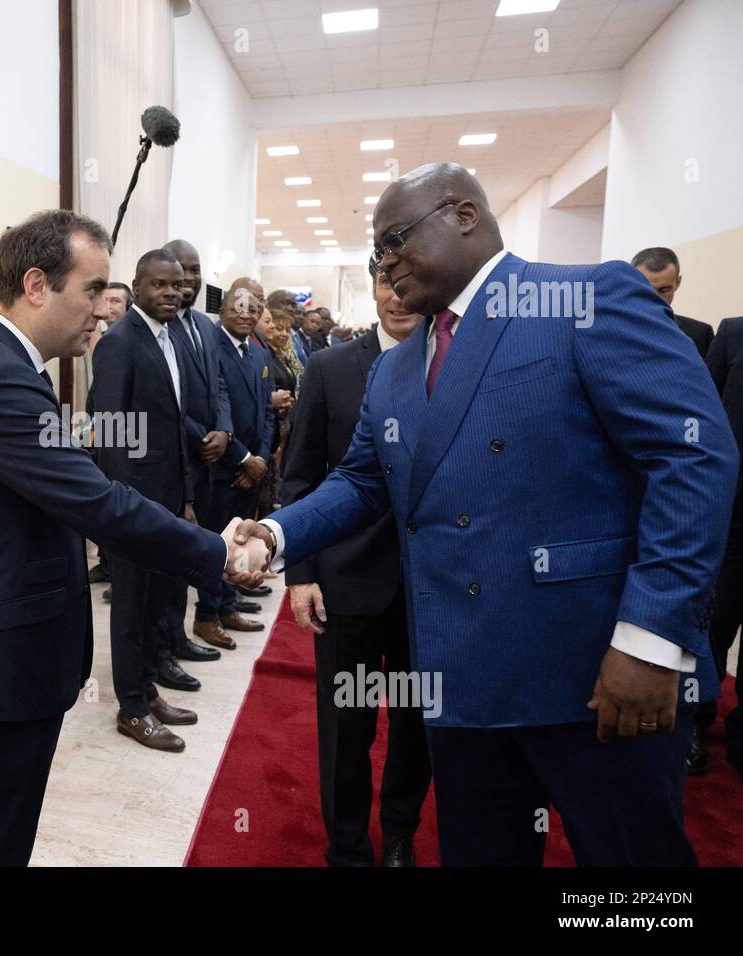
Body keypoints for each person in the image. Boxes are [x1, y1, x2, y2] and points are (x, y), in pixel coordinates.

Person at [241, 162, 737, 866]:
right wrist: (276, 532)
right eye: (378, 252)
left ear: (464, 215)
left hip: (597, 671)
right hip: (463, 678)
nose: (385, 263)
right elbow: (360, 482)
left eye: (396, 240)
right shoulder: (395, 368)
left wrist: (651, 639)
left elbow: (693, 458)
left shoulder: (587, 298)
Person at [0, 209, 267, 866]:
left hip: (2, 658)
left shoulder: (6, 365)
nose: (105, 311)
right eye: (93, 289)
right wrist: (219, 552)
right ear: (38, 285)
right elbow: (104, 505)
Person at [280, 258, 431, 867]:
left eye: (408, 285)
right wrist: (301, 575)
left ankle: (399, 834)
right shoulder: (330, 366)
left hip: (430, 588)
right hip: (347, 582)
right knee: (347, 729)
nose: (397, 298)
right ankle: (346, 846)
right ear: (370, 290)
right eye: (383, 284)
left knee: (418, 723)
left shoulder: (456, 360)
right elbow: (301, 478)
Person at [90, 249, 204, 747]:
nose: (170, 294)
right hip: (134, 504)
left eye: (176, 286)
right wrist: (126, 508)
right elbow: (112, 429)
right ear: (136, 286)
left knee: (158, 599)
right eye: (158, 285)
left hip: (165, 499)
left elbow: (172, 422)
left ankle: (147, 688)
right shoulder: (118, 342)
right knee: (131, 608)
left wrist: (183, 495)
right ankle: (131, 708)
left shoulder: (169, 336)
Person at [191, 284, 276, 652]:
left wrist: (259, 459)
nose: (245, 313)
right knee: (217, 546)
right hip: (222, 469)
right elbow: (210, 412)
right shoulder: (211, 349)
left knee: (240, 544)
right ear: (222, 308)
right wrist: (242, 458)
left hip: (250, 469)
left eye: (253, 307)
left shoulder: (259, 354)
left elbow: (267, 414)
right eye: (237, 306)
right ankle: (206, 615)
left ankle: (228, 606)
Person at [161, 238, 232, 665]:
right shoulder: (161, 325)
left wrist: (223, 429)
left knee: (202, 548)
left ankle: (192, 628)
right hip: (180, 459)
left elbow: (219, 385)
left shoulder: (207, 326)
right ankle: (167, 643)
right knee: (171, 563)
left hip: (210, 461)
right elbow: (166, 402)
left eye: (195, 268)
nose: (189, 277)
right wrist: (200, 437)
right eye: (181, 269)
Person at [703, 316, 743, 780]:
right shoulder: (732, 334)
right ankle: (697, 720)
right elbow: (704, 418)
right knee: (714, 624)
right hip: (733, 519)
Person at [256, 305, 300, 515]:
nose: (279, 332)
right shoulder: (265, 355)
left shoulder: (280, 355)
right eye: (272, 326)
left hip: (282, 427)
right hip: (270, 429)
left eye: (285, 330)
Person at [632, 247, 714, 358]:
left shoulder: (700, 334)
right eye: (647, 289)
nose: (655, 298)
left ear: (678, 282)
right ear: (631, 284)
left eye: (664, 290)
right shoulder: (610, 328)